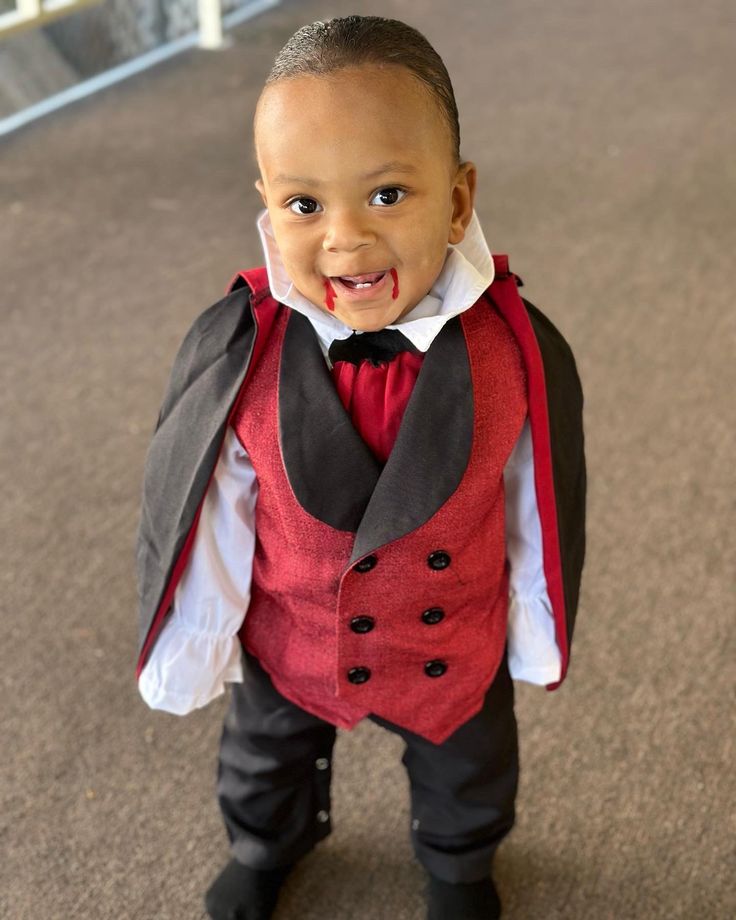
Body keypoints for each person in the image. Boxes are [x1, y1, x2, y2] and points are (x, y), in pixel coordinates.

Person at [135, 15, 586, 920]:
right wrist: (203, 638)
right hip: (293, 632)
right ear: (266, 204)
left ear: (458, 202)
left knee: (471, 767)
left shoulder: (513, 349)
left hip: (448, 640)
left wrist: (532, 627)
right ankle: (269, 842)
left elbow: (536, 496)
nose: (344, 241)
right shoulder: (245, 351)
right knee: (263, 755)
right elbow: (216, 506)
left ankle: (459, 867)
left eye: (386, 195)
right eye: (305, 206)